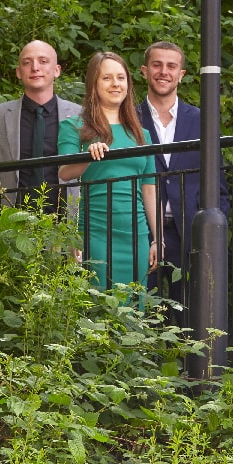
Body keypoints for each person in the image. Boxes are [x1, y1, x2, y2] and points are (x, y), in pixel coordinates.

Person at [136, 42, 229, 314]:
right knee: (141, 312)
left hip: (189, 232)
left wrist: (209, 233)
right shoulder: (129, 118)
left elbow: (219, 185)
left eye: (171, 66)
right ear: (144, 71)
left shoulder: (202, 119)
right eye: (157, 64)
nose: (163, 72)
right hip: (143, 231)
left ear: (181, 74)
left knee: (190, 314)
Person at [58, 52, 158, 288]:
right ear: (94, 84)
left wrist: (158, 238)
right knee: (97, 310)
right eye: (107, 78)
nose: (116, 84)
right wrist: (88, 156)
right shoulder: (74, 126)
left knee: (135, 309)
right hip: (96, 231)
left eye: (121, 78)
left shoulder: (142, 135)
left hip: (137, 234)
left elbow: (150, 189)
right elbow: (64, 172)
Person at [0, 40, 81, 211]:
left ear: (57, 70)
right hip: (10, 223)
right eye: (27, 62)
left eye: (43, 61)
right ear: (18, 72)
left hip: (65, 225)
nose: (35, 67)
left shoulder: (79, 116)